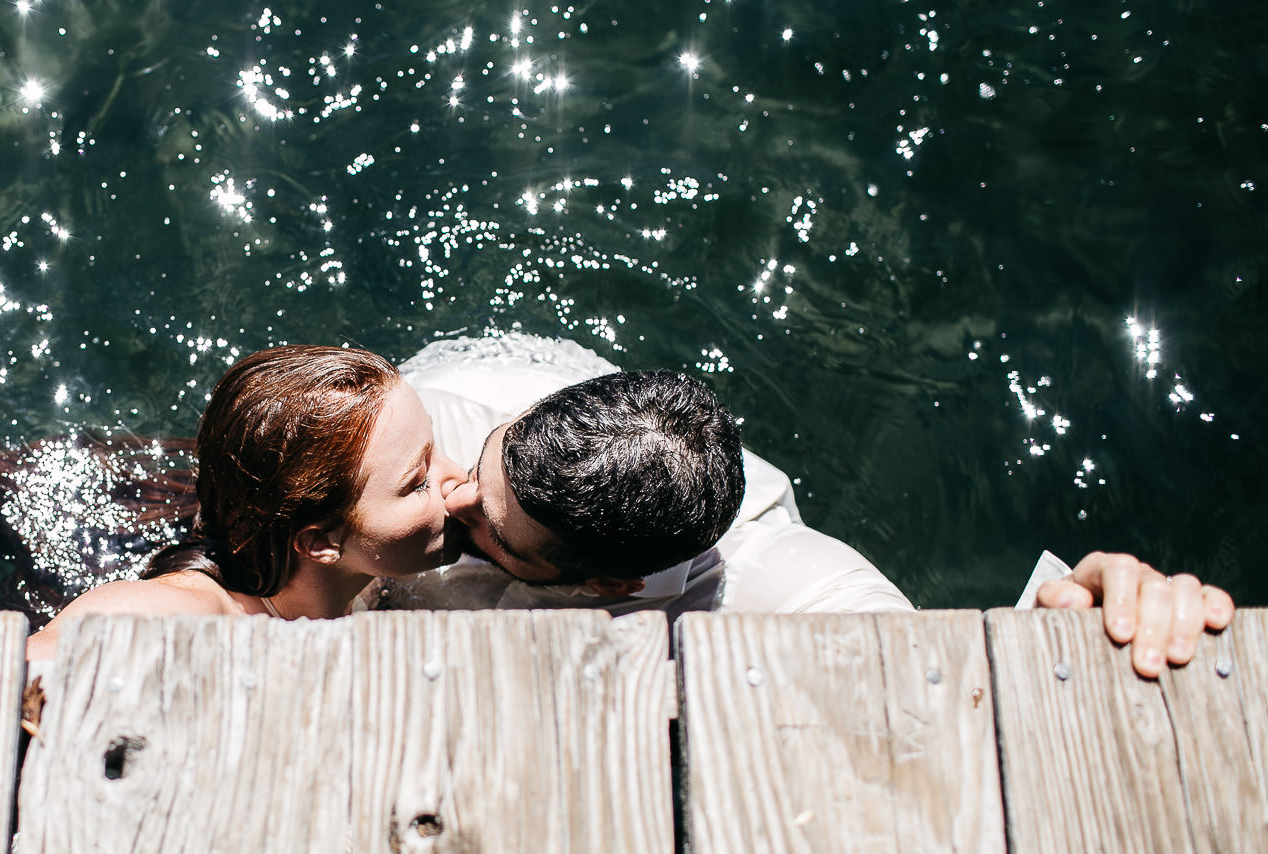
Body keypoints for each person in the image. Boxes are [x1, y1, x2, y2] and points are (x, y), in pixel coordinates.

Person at [380, 333, 1235, 678]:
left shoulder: (772, 587)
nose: (448, 497)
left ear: (604, 585)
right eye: (479, 468)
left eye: (490, 529)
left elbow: (940, 679)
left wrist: (1075, 625)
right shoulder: (449, 418)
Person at [0, 345, 465, 690]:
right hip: (87, 571)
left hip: (242, 537)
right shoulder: (181, 621)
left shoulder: (367, 556)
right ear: (320, 541)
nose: (455, 481)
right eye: (417, 480)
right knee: (1, 497)